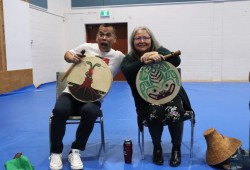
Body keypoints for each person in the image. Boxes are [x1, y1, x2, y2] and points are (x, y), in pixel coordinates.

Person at [49, 23, 125, 170]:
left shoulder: (118, 57)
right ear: (97, 37)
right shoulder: (86, 47)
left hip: (93, 98)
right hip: (71, 94)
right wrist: (71, 57)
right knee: (59, 110)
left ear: (114, 38)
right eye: (101, 34)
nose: (104, 37)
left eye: (108, 35)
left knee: (91, 111)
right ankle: (56, 151)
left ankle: (75, 151)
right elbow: (67, 54)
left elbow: (134, 63)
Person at [121, 26, 195, 167]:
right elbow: (127, 73)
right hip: (146, 100)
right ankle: (157, 148)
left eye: (145, 37)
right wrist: (143, 60)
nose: (142, 41)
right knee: (155, 112)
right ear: (133, 41)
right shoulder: (129, 59)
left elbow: (176, 60)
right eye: (138, 38)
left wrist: (157, 55)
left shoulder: (160, 50)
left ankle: (176, 148)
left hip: (172, 95)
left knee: (175, 111)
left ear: (151, 39)